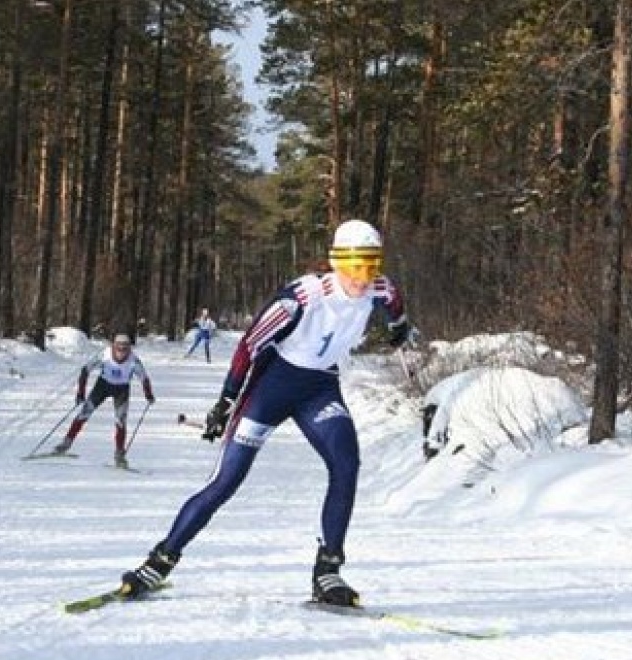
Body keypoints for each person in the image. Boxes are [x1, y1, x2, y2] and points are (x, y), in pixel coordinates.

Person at [118, 219, 417, 607]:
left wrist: (399, 326)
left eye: (371, 265)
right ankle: (159, 562)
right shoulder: (303, 297)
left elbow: (394, 303)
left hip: (319, 389)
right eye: (355, 266)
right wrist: (226, 401)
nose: (363, 277)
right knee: (226, 481)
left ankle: (328, 571)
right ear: (336, 262)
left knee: (347, 465)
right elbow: (249, 345)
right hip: (271, 387)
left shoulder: (379, 287)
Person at [53, 333, 155, 468]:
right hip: (102, 386)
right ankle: (66, 443)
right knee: (84, 414)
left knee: (120, 421)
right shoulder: (105, 355)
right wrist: (80, 393)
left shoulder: (134, 360)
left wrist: (148, 394)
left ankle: (119, 454)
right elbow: (85, 371)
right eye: (119, 348)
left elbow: (144, 378)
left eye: (125, 348)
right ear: (114, 346)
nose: (122, 352)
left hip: (122, 390)